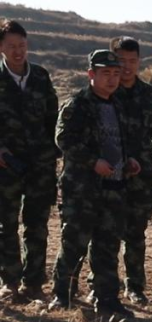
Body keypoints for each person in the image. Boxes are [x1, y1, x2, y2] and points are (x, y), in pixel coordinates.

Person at [49, 50, 140, 322]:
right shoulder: (77, 105)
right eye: (105, 74)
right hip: (83, 189)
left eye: (115, 74)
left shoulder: (119, 105)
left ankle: (108, 300)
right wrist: (93, 162)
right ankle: (61, 295)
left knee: (107, 246)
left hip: (114, 187)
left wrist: (131, 160)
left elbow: (126, 140)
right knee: (74, 243)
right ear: (91, 75)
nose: (112, 80)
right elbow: (63, 140)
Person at [0, 20, 58, 303]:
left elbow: (53, 119)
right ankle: (9, 281)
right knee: (5, 225)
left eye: (21, 45)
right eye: (11, 46)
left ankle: (34, 283)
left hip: (40, 165)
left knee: (37, 224)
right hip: (5, 166)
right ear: (1, 48)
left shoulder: (41, 77)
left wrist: (52, 155)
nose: (18, 51)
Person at [110, 36, 152, 305]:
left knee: (136, 234)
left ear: (139, 61)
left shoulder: (151, 96)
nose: (126, 66)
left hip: (142, 178)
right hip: (110, 175)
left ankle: (135, 286)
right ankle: (101, 284)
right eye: (121, 60)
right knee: (106, 232)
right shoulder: (105, 94)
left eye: (132, 61)